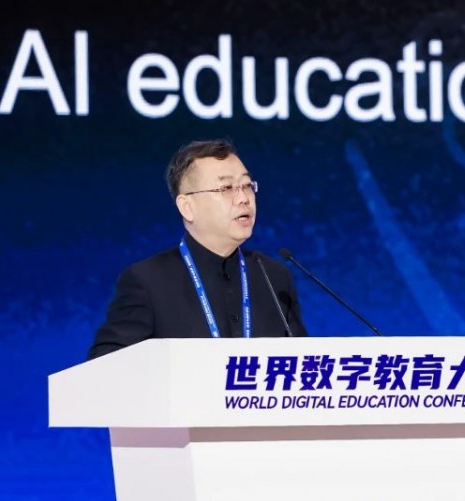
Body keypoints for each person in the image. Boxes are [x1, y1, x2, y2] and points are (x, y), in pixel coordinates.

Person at [88, 140, 307, 359]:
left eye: (247, 185)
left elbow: (305, 364)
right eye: (226, 188)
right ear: (187, 207)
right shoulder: (147, 282)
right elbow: (104, 366)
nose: (243, 199)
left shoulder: (273, 277)